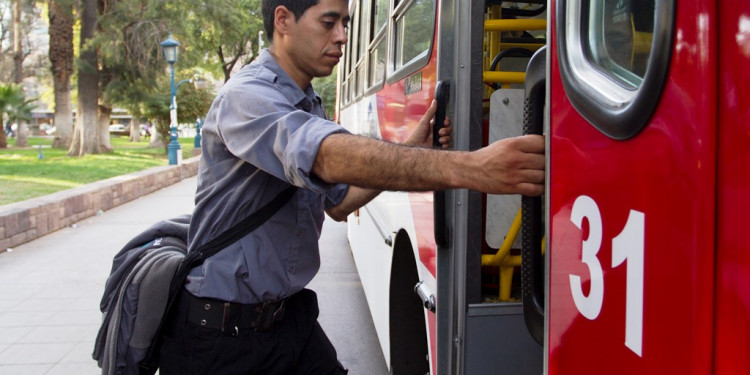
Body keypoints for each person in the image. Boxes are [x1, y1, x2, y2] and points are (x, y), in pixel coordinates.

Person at [158, 0, 545, 374]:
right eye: (329, 23)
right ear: (283, 20)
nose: (342, 36)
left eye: (346, 23)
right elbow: (326, 155)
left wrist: (412, 146)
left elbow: (340, 203)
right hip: (220, 338)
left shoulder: (306, 101)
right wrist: (475, 168)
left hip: (288, 322)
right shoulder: (247, 97)